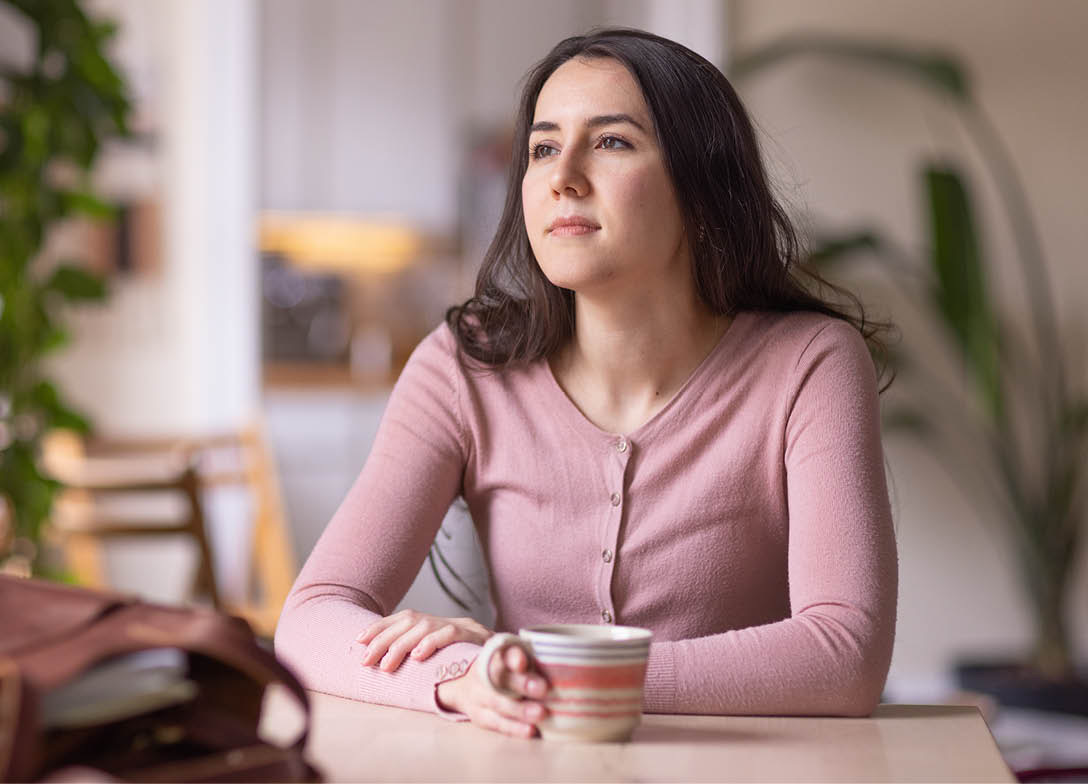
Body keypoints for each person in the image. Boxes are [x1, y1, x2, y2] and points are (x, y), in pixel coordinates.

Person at [275, 27, 897, 739]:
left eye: (611, 142)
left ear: (702, 186)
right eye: (542, 148)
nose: (562, 175)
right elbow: (311, 618)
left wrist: (536, 666)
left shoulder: (809, 363)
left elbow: (845, 655)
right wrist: (463, 680)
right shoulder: (463, 367)